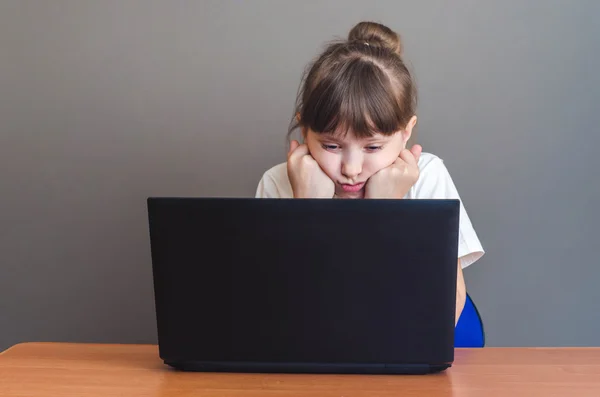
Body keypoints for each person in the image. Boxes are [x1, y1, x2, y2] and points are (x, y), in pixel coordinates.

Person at [255, 21, 484, 323]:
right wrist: (307, 211)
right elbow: (279, 312)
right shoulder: (278, 183)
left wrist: (386, 213)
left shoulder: (427, 177)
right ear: (304, 129)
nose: (351, 169)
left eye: (372, 148)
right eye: (331, 146)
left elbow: (442, 314)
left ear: (405, 134)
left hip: (403, 351)